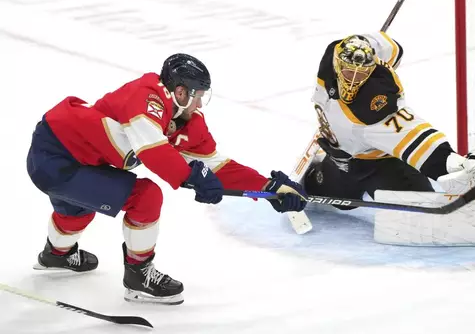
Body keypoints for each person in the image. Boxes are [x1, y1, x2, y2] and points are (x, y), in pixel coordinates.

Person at [26, 53, 307, 305]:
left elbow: (217, 165)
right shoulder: (146, 96)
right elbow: (153, 151)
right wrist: (190, 176)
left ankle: (57, 254)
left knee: (78, 207)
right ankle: (139, 276)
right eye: (197, 95)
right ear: (180, 91)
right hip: (54, 156)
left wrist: (269, 188)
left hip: (79, 158)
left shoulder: (188, 120)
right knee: (145, 196)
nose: (199, 104)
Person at [301, 32, 475, 250]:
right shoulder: (331, 56)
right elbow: (393, 49)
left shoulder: (375, 107)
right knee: (329, 199)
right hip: (343, 161)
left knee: (426, 223)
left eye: (362, 73)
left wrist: (454, 164)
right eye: (349, 71)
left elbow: (417, 138)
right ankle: (326, 169)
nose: (354, 79)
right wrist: (369, 45)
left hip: (385, 165)